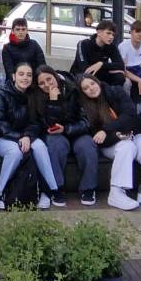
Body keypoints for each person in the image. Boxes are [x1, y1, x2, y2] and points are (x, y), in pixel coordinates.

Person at [75, 74, 141, 210]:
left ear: (97, 82)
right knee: (126, 146)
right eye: (86, 88)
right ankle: (116, 195)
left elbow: (130, 114)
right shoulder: (84, 106)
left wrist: (108, 130)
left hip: (124, 137)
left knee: (129, 146)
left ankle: (117, 192)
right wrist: (116, 135)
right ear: (83, 93)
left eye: (92, 84)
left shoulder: (115, 92)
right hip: (106, 145)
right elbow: (97, 137)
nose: (91, 89)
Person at [0, 62, 62, 209]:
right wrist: (21, 137)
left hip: (25, 136)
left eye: (29, 75)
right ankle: (1, 192)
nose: (25, 78)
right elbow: (0, 123)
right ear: (13, 76)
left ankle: (50, 190)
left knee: (40, 147)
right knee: (15, 152)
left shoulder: (33, 95)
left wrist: (27, 136)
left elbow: (35, 123)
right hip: (2, 138)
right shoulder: (2, 94)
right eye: (21, 74)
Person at [37, 65, 96, 205]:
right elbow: (48, 125)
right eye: (41, 83)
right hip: (56, 133)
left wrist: (66, 129)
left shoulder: (74, 87)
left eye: (49, 79)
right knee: (55, 144)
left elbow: (87, 120)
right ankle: (57, 187)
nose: (47, 85)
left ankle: (88, 188)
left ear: (55, 75)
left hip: (76, 130)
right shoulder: (38, 96)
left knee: (87, 145)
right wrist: (53, 101)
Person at [70, 21, 126, 87]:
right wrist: (109, 69)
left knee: (120, 77)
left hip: (100, 73)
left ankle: (113, 93)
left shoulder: (111, 46)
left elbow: (121, 65)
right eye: (108, 33)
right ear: (99, 32)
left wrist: (101, 64)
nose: (111, 37)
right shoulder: (83, 44)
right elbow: (84, 67)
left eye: (113, 35)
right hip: (81, 75)